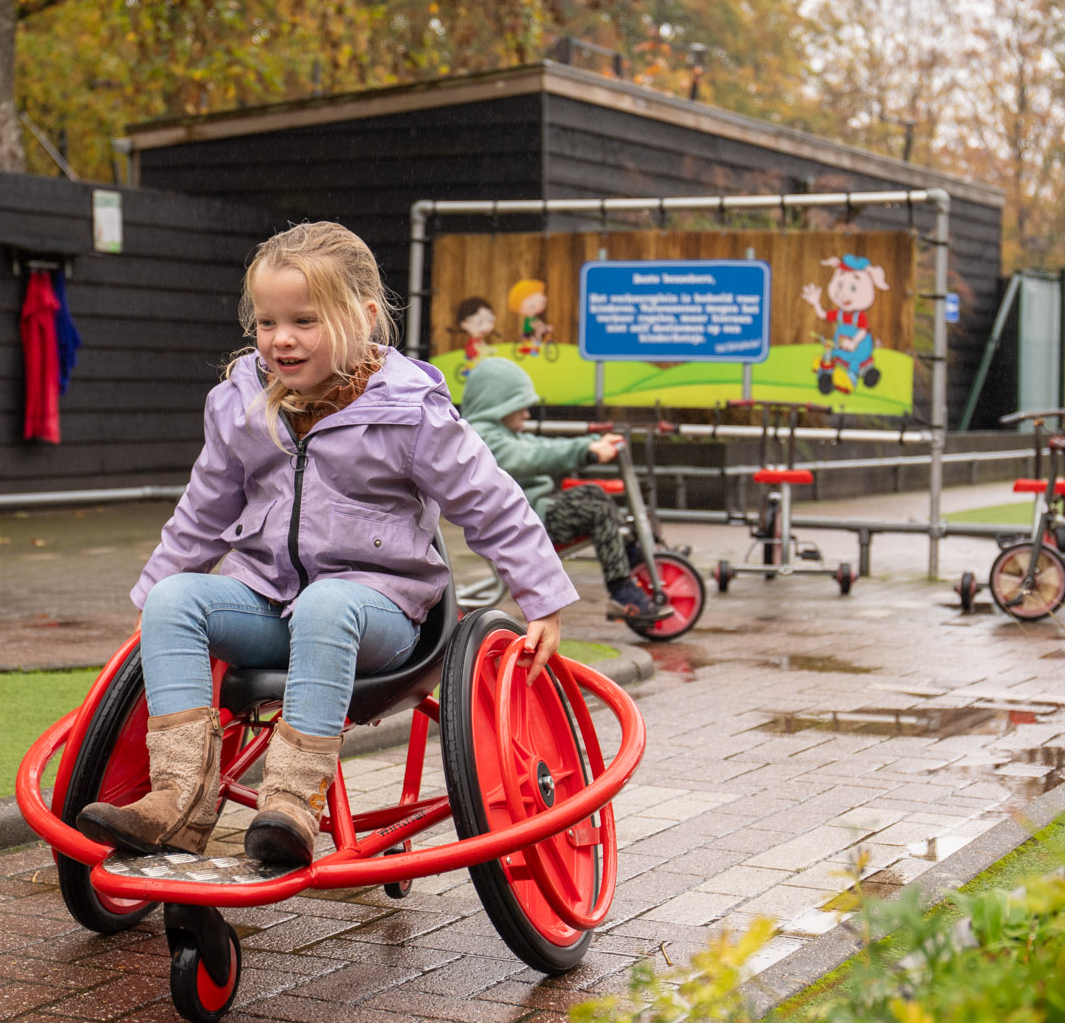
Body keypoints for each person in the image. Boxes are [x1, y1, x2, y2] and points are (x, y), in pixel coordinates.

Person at [77, 223, 577, 869]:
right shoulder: (242, 404)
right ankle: (177, 797)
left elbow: (490, 500)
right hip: (271, 602)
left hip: (382, 614)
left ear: (365, 317)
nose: (280, 338)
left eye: (304, 320)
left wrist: (543, 599)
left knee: (328, 604)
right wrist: (155, 593)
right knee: (176, 599)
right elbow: (204, 507)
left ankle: (289, 801)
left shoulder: (408, 411)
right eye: (266, 321)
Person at [460, 356, 673, 623]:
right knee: (596, 508)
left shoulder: (500, 433)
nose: (527, 413)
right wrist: (584, 451)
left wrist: (592, 443)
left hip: (532, 513)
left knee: (594, 494)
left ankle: (631, 557)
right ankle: (623, 592)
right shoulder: (483, 439)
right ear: (497, 403)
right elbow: (530, 455)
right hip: (522, 523)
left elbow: (540, 446)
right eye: (520, 406)